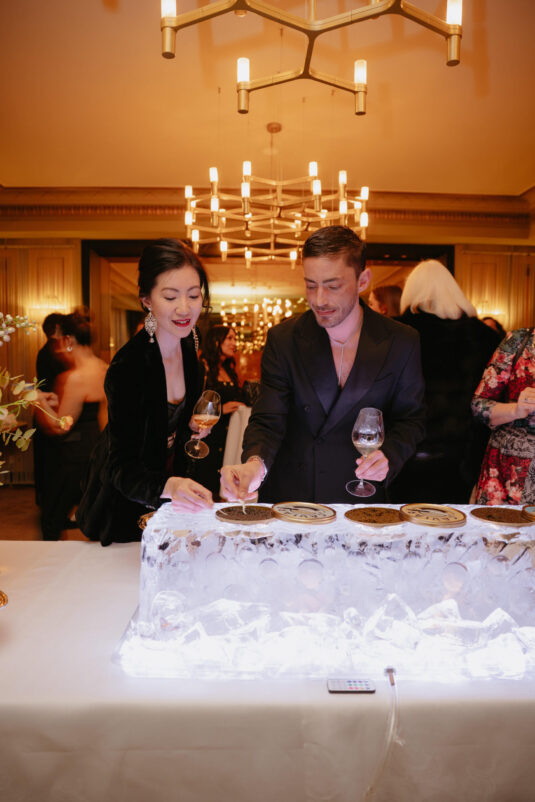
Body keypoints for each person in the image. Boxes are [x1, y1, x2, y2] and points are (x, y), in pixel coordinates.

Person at [220, 225, 425, 504]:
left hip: (361, 498)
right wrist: (254, 464)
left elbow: (411, 420)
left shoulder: (401, 341)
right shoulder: (284, 339)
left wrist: (389, 455)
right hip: (292, 497)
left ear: (363, 280)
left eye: (333, 286)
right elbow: (268, 420)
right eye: (311, 285)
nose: (319, 300)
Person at [76, 238, 213, 546]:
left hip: (170, 504)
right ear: (147, 300)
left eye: (194, 295)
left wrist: (188, 426)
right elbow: (121, 469)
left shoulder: (189, 349)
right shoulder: (129, 366)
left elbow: (169, 425)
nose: (185, 308)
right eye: (170, 296)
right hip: (125, 508)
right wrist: (170, 486)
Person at [389, 259, 501, 503]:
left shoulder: (396, 333)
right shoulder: (483, 336)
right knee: (455, 521)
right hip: (463, 456)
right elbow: (493, 401)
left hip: (404, 453)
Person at [35, 310, 108, 540]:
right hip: (96, 453)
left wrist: (38, 402)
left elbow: (60, 426)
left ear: (68, 340)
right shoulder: (104, 368)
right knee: (94, 519)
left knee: (51, 520)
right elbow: (101, 416)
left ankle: (53, 562)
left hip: (72, 459)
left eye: (59, 341)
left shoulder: (76, 377)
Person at [472, 328, 535, 505]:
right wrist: (517, 410)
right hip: (508, 474)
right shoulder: (520, 340)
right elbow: (478, 406)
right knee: (499, 523)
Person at [194, 325, 246, 498]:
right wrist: (221, 409)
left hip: (228, 435)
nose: (234, 343)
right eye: (229, 338)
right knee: (207, 485)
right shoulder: (202, 368)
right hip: (209, 436)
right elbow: (194, 405)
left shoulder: (228, 369)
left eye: (235, 339)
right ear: (216, 341)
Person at [33, 312, 67, 506]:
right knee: (51, 463)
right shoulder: (53, 352)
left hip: (46, 410)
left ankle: (47, 502)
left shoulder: (46, 351)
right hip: (50, 411)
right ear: (57, 328)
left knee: (46, 462)